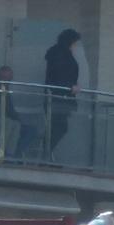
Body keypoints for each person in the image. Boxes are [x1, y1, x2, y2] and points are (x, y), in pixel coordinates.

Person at [44, 28, 82, 158]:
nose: (76, 46)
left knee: (57, 127)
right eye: (75, 43)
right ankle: (45, 153)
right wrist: (70, 87)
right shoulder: (61, 54)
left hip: (58, 97)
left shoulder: (59, 53)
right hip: (58, 97)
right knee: (59, 127)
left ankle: (46, 153)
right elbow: (59, 76)